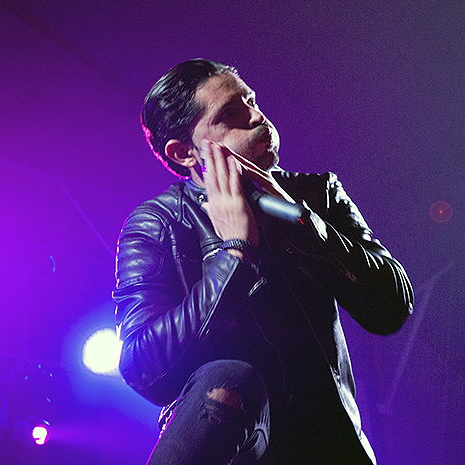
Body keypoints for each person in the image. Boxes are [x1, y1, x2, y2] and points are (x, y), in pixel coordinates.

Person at [113, 59, 413, 464]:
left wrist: (304, 223)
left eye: (251, 101)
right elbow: (143, 368)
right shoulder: (160, 224)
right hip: (237, 450)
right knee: (230, 378)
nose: (257, 117)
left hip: (334, 451)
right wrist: (235, 253)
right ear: (184, 152)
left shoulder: (318, 194)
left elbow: (392, 306)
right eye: (230, 114)